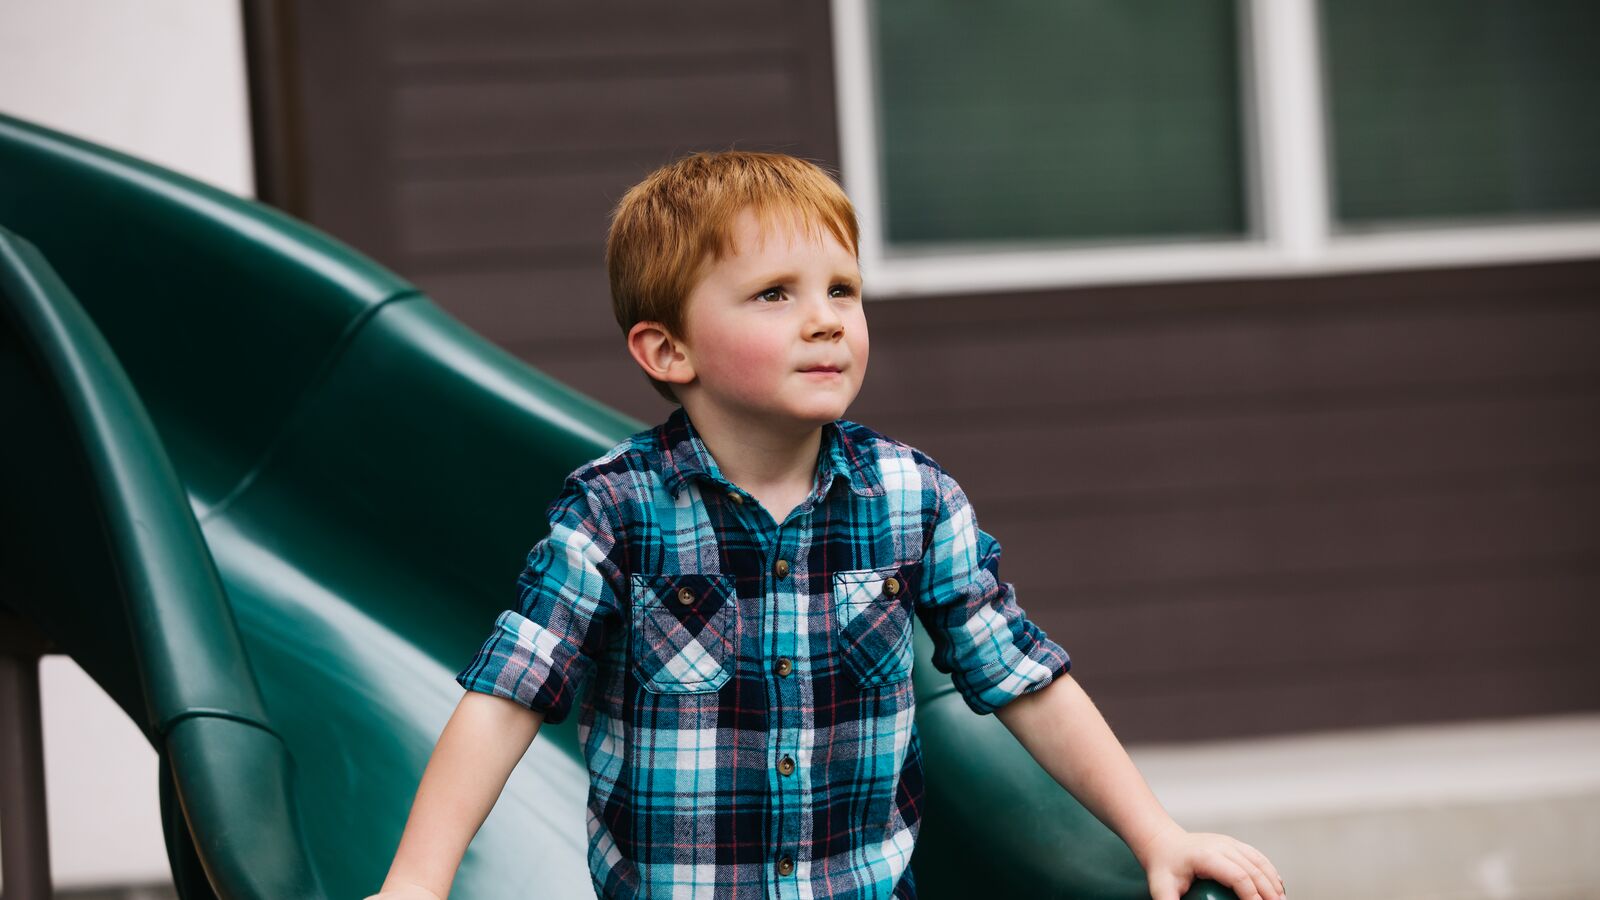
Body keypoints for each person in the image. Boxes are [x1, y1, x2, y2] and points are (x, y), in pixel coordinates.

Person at [369, 151, 1287, 900]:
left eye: (842, 290)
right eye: (776, 295)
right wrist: (416, 883)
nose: (824, 322)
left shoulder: (910, 499)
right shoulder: (613, 515)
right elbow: (509, 695)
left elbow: (1024, 679)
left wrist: (1157, 835)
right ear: (667, 349)